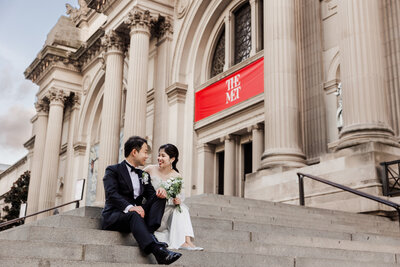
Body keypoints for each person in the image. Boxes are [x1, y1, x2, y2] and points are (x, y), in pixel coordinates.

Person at [101, 136, 182, 265]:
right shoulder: (113, 170)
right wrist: (130, 207)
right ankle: (157, 250)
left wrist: (161, 191)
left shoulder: (142, 174)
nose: (147, 156)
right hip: (115, 215)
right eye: (145, 152)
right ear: (134, 152)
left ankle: (148, 233)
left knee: (159, 196)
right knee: (133, 214)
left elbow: (151, 195)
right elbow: (111, 194)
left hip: (138, 215)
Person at [144, 143, 203, 251]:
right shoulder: (149, 169)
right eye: (159, 155)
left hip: (166, 211)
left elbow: (180, 195)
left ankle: (187, 242)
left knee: (182, 209)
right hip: (151, 208)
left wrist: (177, 200)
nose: (159, 158)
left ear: (172, 159)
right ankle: (184, 241)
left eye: (163, 156)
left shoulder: (177, 176)